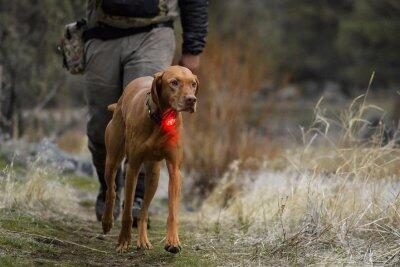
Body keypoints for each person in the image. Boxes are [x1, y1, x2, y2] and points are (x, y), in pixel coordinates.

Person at [83, 0, 208, 223]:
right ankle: (109, 187)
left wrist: (193, 47)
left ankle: (139, 199)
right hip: (102, 30)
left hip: (154, 32)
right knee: (101, 121)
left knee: (151, 115)